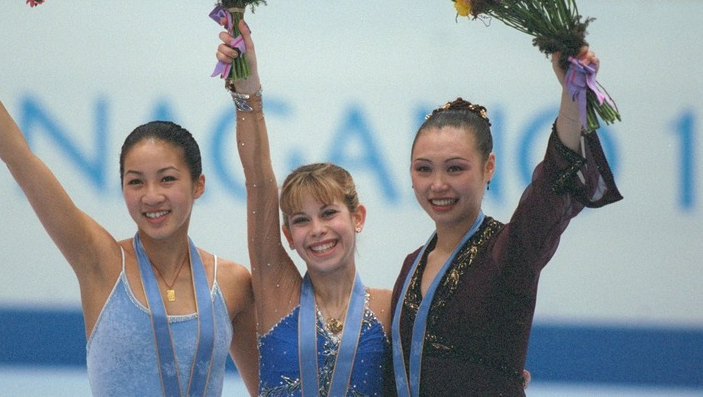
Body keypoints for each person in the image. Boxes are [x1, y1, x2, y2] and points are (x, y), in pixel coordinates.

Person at [0, 1, 259, 396]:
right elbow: (19, 157)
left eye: (167, 179)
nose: (151, 196)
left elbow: (266, 389)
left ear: (199, 185)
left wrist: (249, 84)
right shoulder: (99, 261)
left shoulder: (234, 283)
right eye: (135, 182)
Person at [389, 48, 623, 395]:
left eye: (455, 168)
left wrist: (571, 93)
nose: (437, 184)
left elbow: (553, 182)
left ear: (489, 168)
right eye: (424, 169)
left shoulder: (509, 251)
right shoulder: (412, 265)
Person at [215, 20, 392, 396]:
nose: (317, 229)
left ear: (357, 217)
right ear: (288, 237)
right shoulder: (276, 292)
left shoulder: (391, 309)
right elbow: (259, 185)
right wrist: (248, 95)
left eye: (328, 213)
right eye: (301, 220)